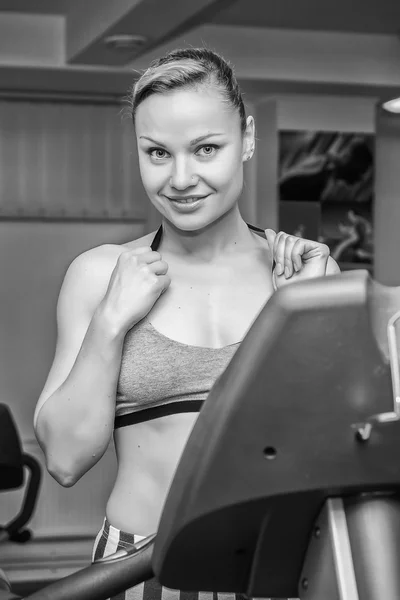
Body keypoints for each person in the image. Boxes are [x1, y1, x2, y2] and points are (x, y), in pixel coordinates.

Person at [33, 47, 340, 600]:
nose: (180, 178)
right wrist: (111, 321)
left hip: (278, 568)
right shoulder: (101, 273)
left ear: (247, 139)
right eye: (157, 153)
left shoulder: (302, 274)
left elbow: (335, 452)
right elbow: (64, 460)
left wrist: (298, 325)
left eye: (205, 149)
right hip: (140, 570)